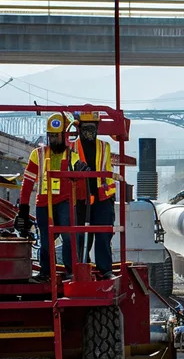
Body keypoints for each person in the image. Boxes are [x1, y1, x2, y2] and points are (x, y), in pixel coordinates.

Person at [15, 113, 82, 283]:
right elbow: (28, 182)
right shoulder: (37, 154)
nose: (52, 139)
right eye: (50, 135)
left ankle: (70, 272)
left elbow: (78, 172)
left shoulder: (71, 154)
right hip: (44, 204)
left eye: (56, 135)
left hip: (65, 202)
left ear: (63, 135)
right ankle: (46, 273)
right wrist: (23, 209)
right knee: (45, 240)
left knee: (68, 238)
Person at [72, 110, 116, 280]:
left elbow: (106, 170)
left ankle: (105, 270)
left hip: (102, 197)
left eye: (92, 127)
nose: (89, 131)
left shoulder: (105, 146)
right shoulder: (72, 147)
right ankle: (82, 268)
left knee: (103, 235)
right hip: (80, 198)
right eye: (86, 127)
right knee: (81, 236)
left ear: (97, 127)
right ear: (79, 127)